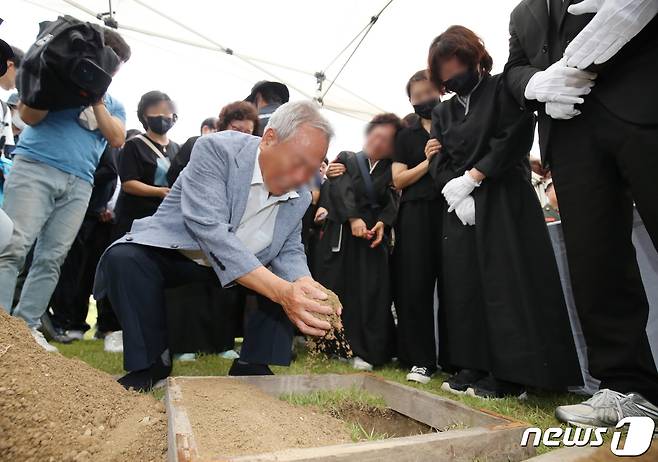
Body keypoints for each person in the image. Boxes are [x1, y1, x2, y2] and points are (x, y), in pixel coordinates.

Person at [93, 100, 337, 392]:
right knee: (125, 258)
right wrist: (284, 291)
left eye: (311, 170)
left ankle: (254, 364)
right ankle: (150, 364)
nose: (301, 178)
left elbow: (289, 248)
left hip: (245, 263)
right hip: (183, 250)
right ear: (270, 138)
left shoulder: (299, 195)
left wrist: (305, 284)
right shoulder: (217, 150)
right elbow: (209, 230)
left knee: (289, 283)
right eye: (297, 163)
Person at [505, 0, 658, 425]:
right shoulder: (521, 14)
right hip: (570, 131)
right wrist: (536, 83)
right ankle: (628, 386)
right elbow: (513, 68)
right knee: (596, 262)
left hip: (644, 104)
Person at [427, 25, 582, 398]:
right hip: (459, 206)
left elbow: (514, 134)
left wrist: (475, 178)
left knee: (505, 284)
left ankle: (512, 372)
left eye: (456, 64)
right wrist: (456, 191)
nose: (452, 75)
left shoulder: (501, 88)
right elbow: (437, 154)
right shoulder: (444, 112)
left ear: (473, 57)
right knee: (464, 285)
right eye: (444, 70)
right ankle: (473, 363)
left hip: (503, 198)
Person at [0, 28, 130, 352]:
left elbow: (116, 138)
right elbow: (29, 116)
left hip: (80, 182)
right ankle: (3, 327)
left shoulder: (114, 103)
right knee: (13, 248)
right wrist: (56, 85)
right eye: (112, 62)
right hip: (34, 168)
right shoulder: (56, 79)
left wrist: (96, 96)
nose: (112, 70)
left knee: (52, 257)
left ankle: (26, 329)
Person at [314, 113, 400, 371]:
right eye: (376, 135)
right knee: (341, 290)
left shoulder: (392, 169)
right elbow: (341, 189)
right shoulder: (347, 158)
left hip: (373, 236)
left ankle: (369, 351)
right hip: (345, 236)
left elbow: (392, 200)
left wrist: (384, 223)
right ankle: (337, 346)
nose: (378, 142)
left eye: (386, 140)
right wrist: (353, 218)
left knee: (372, 293)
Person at [391, 70, 443, 384]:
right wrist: (427, 161)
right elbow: (398, 179)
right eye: (417, 95)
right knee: (416, 286)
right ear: (410, 100)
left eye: (428, 92)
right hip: (415, 215)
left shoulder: (454, 124)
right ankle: (421, 360)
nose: (424, 99)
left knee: (455, 287)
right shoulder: (405, 135)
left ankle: (458, 360)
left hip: (453, 210)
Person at [48, 144, 122, 342]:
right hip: (82, 213)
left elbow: (111, 171)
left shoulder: (106, 143)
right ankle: (70, 322)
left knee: (93, 272)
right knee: (75, 272)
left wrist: (78, 177)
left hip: (97, 215)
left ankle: (102, 325)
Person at [113, 91, 180, 240]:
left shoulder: (178, 149)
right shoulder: (134, 145)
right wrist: (158, 192)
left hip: (163, 219)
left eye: (167, 111)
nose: (163, 116)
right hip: (134, 217)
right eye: (156, 111)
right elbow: (128, 184)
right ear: (145, 115)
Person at [167, 101, 259, 185]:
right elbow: (173, 177)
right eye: (236, 129)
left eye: (247, 132)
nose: (241, 135)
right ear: (224, 125)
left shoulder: (252, 157)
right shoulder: (196, 144)